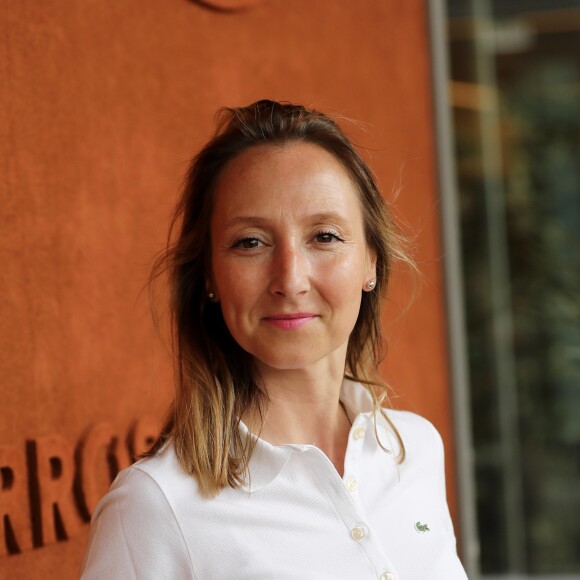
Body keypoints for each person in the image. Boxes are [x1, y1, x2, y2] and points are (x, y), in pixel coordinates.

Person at [80, 100, 468, 579]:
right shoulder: (156, 506)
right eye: (250, 242)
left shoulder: (414, 447)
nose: (290, 279)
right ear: (210, 276)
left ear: (371, 260)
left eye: (324, 236)